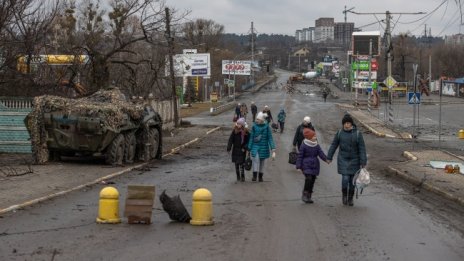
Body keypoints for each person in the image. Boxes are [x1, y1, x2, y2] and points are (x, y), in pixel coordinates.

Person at [327, 114, 367, 206]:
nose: (346, 125)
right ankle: (344, 196)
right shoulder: (339, 133)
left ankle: (350, 198)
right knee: (345, 178)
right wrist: (329, 157)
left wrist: (363, 161)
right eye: (345, 123)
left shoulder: (357, 134)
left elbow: (362, 148)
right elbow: (334, 145)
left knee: (352, 181)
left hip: (355, 160)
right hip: (343, 159)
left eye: (348, 123)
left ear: (351, 124)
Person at [296, 128, 329, 203]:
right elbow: (300, 156)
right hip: (306, 164)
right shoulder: (304, 145)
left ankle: (309, 196)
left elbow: (320, 153)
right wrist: (298, 166)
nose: (315, 138)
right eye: (314, 136)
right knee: (309, 178)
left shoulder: (316, 145)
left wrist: (326, 159)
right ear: (309, 138)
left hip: (315, 165)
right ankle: (304, 194)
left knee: (313, 180)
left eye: (315, 136)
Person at [247, 112, 276, 182]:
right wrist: (249, 147)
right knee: (255, 160)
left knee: (262, 162)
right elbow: (251, 138)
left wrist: (273, 148)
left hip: (264, 147)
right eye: (256, 119)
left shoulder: (267, 128)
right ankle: (254, 176)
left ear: (262, 120)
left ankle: (260, 176)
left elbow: (270, 138)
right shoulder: (254, 127)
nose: (256, 120)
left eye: (258, 119)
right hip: (255, 146)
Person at [227, 118, 250, 182]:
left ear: (242, 125)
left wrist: (245, 148)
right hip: (235, 149)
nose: (238, 125)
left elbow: (249, 141)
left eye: (239, 124)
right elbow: (231, 139)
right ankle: (238, 176)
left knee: (242, 164)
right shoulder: (234, 131)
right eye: (237, 123)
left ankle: (242, 176)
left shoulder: (246, 132)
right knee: (236, 164)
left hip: (242, 150)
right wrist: (229, 147)